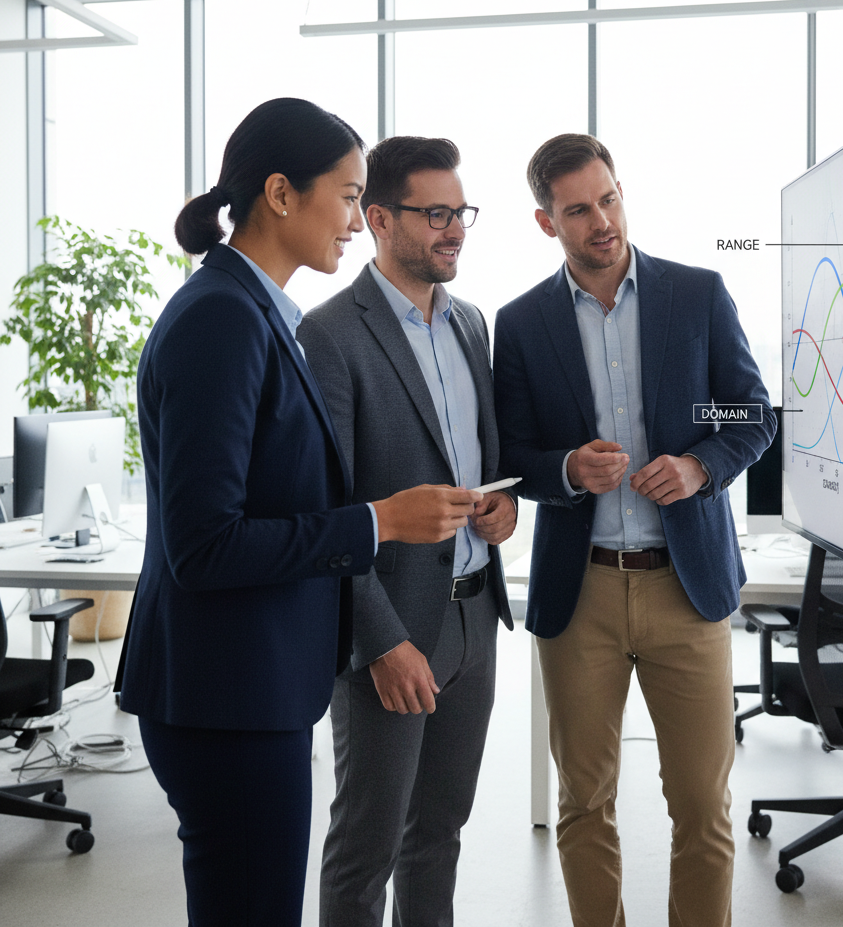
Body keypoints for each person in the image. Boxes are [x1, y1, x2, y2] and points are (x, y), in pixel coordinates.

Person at [117, 99, 481, 927]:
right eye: (349, 196)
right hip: (226, 697)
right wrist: (379, 521)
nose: (358, 221)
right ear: (281, 194)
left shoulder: (256, 315)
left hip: (252, 687)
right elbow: (204, 546)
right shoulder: (222, 320)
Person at [492, 133, 776, 927]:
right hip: (579, 591)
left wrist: (700, 467)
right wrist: (564, 471)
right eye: (578, 209)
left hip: (687, 589)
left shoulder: (698, 294)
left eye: (608, 198)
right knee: (584, 802)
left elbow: (748, 413)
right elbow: (511, 453)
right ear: (547, 222)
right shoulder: (519, 325)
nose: (601, 221)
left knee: (701, 804)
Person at [296, 135, 516, 927]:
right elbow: (325, 513)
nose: (454, 229)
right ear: (380, 218)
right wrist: (379, 644)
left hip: (474, 617)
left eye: (461, 212)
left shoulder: (471, 325)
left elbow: (482, 465)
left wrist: (504, 509)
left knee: (440, 836)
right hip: (390, 633)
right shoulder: (329, 335)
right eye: (435, 214)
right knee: (367, 847)